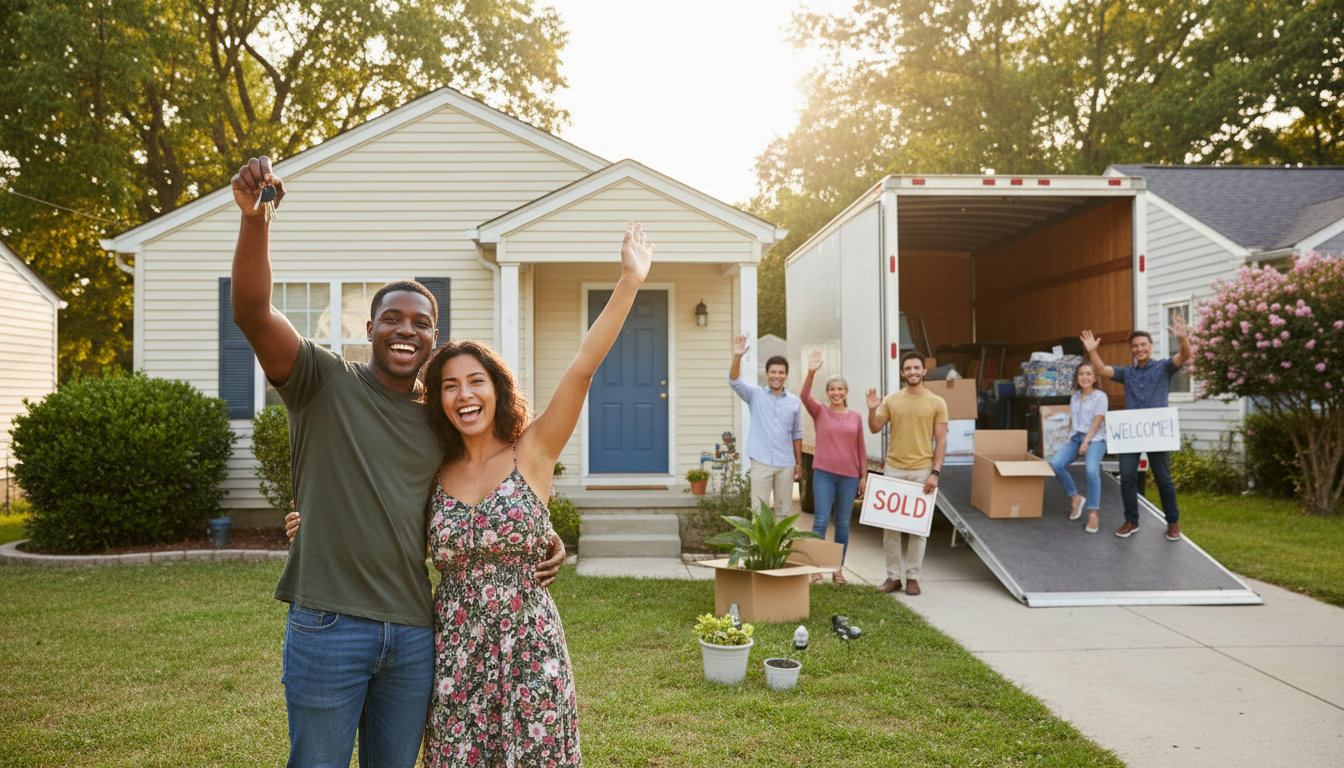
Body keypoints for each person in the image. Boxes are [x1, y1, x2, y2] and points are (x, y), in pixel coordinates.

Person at [229, 156, 564, 768]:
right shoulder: (321, 379)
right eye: (392, 318)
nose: (405, 330)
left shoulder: (442, 419)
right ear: (370, 328)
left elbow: (488, 487)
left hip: (415, 633)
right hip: (330, 626)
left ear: (434, 337)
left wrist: (545, 534)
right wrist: (256, 220)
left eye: (420, 322)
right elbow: (252, 312)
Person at [292, 221, 654, 765]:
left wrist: (628, 282)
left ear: (497, 387)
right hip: (453, 648)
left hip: (530, 647)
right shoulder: (433, 468)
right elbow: (374, 509)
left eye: (476, 381)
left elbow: (583, 368)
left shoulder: (531, 452)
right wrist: (307, 521)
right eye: (449, 385)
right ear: (437, 398)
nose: (464, 394)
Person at [1081, 317, 1191, 540]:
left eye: (1143, 345)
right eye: (1135, 346)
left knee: (1163, 479)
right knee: (1128, 476)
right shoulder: (1127, 373)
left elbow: (1184, 356)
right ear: (1132, 350)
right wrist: (1092, 351)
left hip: (1157, 435)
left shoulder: (1163, 367)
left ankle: (1172, 522)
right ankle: (1131, 521)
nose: (1139, 349)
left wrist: (1182, 338)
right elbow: (1102, 369)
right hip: (1131, 436)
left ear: (1150, 347)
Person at [866, 352, 947, 597]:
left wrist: (935, 473)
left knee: (918, 528)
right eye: (907, 368)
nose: (912, 372)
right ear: (902, 373)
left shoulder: (937, 402)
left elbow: (941, 440)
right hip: (893, 469)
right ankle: (893, 577)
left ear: (924, 371)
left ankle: (913, 577)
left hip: (922, 471)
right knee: (890, 528)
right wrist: (871, 410)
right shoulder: (891, 400)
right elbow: (874, 428)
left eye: (916, 368)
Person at [800, 350, 867, 585]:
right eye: (832, 389)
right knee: (820, 522)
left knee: (842, 524)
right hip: (824, 475)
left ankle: (837, 569)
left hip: (849, 477)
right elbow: (804, 396)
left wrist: (863, 477)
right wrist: (812, 371)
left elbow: (861, 449)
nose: (836, 393)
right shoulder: (820, 412)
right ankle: (814, 568)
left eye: (840, 389)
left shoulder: (856, 417)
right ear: (827, 394)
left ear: (846, 392)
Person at [727, 337, 803, 514]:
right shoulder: (755, 395)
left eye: (781, 372)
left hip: (786, 463)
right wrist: (737, 356)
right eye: (773, 372)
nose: (777, 376)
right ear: (766, 374)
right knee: (758, 512)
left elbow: (797, 434)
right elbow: (734, 381)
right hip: (761, 461)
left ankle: (780, 544)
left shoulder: (794, 402)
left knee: (783, 513)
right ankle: (758, 544)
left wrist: (799, 463)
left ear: (786, 375)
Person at [1047, 362, 1108, 534]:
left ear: (1095, 378)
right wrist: (1069, 440)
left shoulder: (1100, 397)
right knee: (1057, 463)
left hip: (1095, 438)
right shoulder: (1074, 397)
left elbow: (1098, 421)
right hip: (1076, 437)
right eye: (1081, 374)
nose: (1085, 377)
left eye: (1089, 374)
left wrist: (1086, 442)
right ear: (1076, 378)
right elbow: (1073, 421)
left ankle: (1093, 513)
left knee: (1091, 470)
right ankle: (1074, 497)